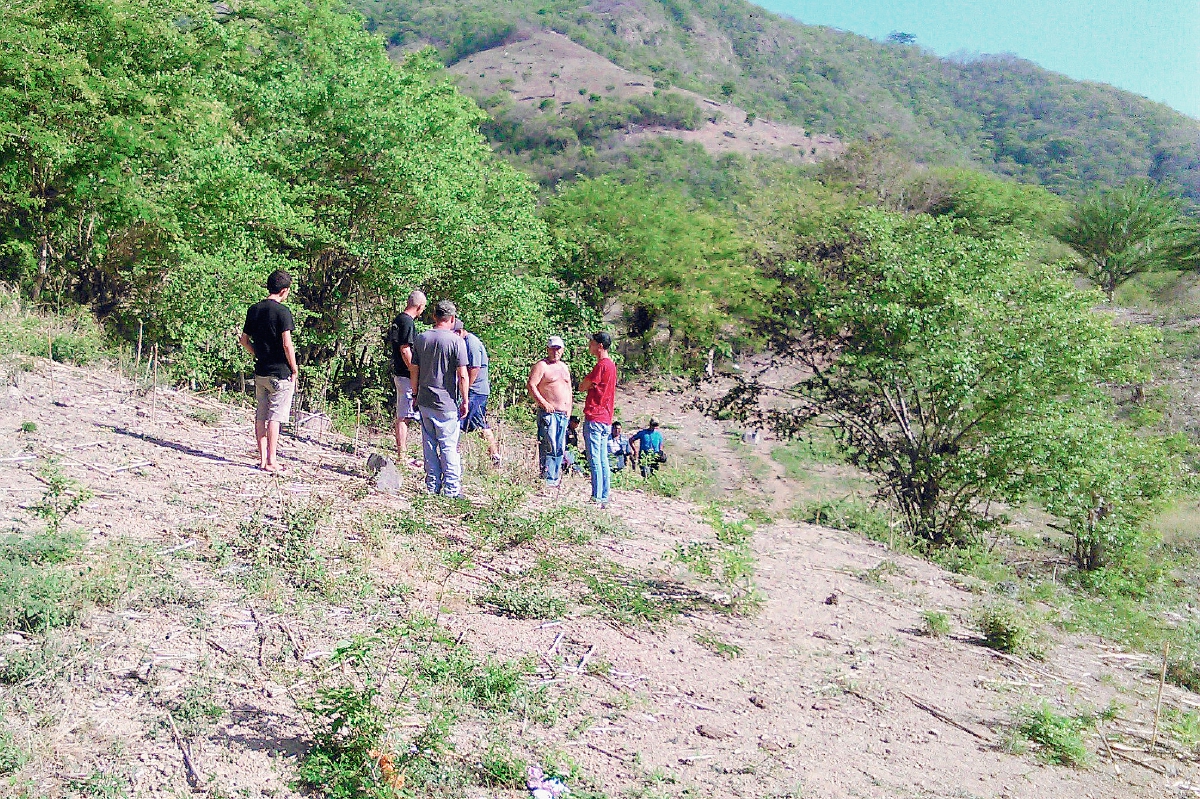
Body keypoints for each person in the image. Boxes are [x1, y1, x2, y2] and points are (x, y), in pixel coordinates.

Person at [238, 270, 299, 473]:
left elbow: (244, 340)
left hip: (261, 371)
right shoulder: (283, 312)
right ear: (284, 290)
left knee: (261, 415)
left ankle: (262, 459)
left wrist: (257, 354)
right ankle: (272, 460)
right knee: (275, 417)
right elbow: (287, 344)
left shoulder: (254, 309)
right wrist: (294, 367)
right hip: (280, 373)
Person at [411, 300, 469, 498]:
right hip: (447, 403)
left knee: (429, 444)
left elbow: (414, 370)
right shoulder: (456, 342)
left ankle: (432, 486)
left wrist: (415, 394)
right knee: (448, 446)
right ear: (452, 319)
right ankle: (451, 490)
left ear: (434, 316)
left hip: (425, 400)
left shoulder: (421, 338)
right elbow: (463, 375)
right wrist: (465, 400)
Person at [385, 290, 426, 466]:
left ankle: (402, 453)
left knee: (405, 414)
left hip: (399, 373)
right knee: (404, 415)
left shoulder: (399, 320)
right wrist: (414, 371)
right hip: (405, 375)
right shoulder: (408, 323)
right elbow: (404, 349)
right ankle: (402, 455)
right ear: (419, 306)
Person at [453, 319, 501, 466]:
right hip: (472, 391)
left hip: (476, 392)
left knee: (463, 422)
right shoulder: (464, 342)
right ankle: (494, 456)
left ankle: (494, 456)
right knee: (477, 424)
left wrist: (465, 389)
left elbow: (474, 368)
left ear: (459, 331)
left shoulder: (471, 343)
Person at [527, 336, 572, 486]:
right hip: (549, 414)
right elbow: (532, 385)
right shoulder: (542, 366)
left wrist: (569, 410)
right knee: (548, 446)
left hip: (563, 415)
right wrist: (543, 403)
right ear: (548, 349)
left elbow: (568, 389)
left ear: (563, 350)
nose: (555, 352)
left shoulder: (564, 367)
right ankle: (546, 479)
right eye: (553, 348)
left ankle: (555, 477)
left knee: (559, 447)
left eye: (558, 349)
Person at [578, 332, 617, 507]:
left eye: (592, 342)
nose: (589, 345)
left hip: (595, 416)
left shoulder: (602, 365)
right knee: (602, 460)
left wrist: (583, 383)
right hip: (606, 418)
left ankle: (597, 497)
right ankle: (603, 496)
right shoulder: (612, 366)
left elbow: (586, 385)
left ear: (600, 345)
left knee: (594, 459)